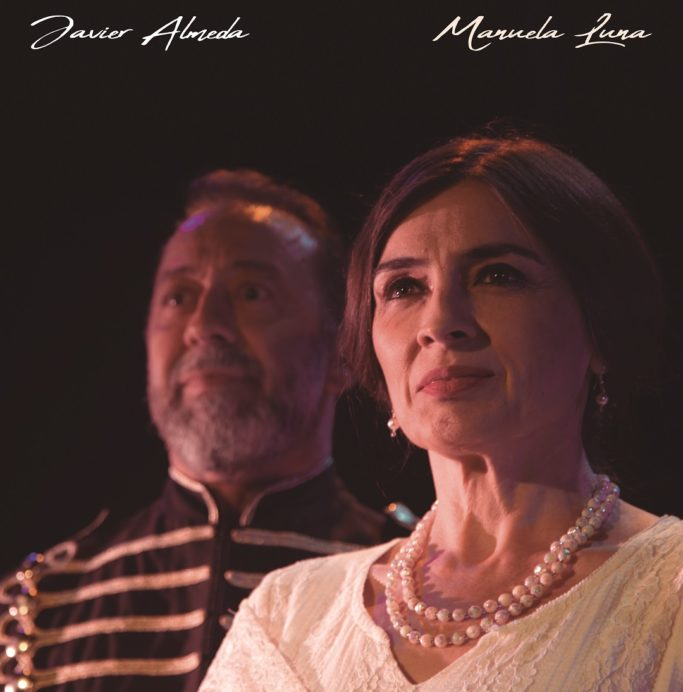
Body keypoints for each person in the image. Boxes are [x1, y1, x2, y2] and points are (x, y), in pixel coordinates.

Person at [199, 134, 683, 692]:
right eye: (404, 287)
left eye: (498, 275)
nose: (440, 322)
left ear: (600, 327)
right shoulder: (287, 615)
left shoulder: (665, 591)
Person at [1, 170, 412, 692]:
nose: (204, 325)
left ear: (341, 353)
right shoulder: (37, 610)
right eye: (178, 297)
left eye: (252, 293)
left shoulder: (418, 589)